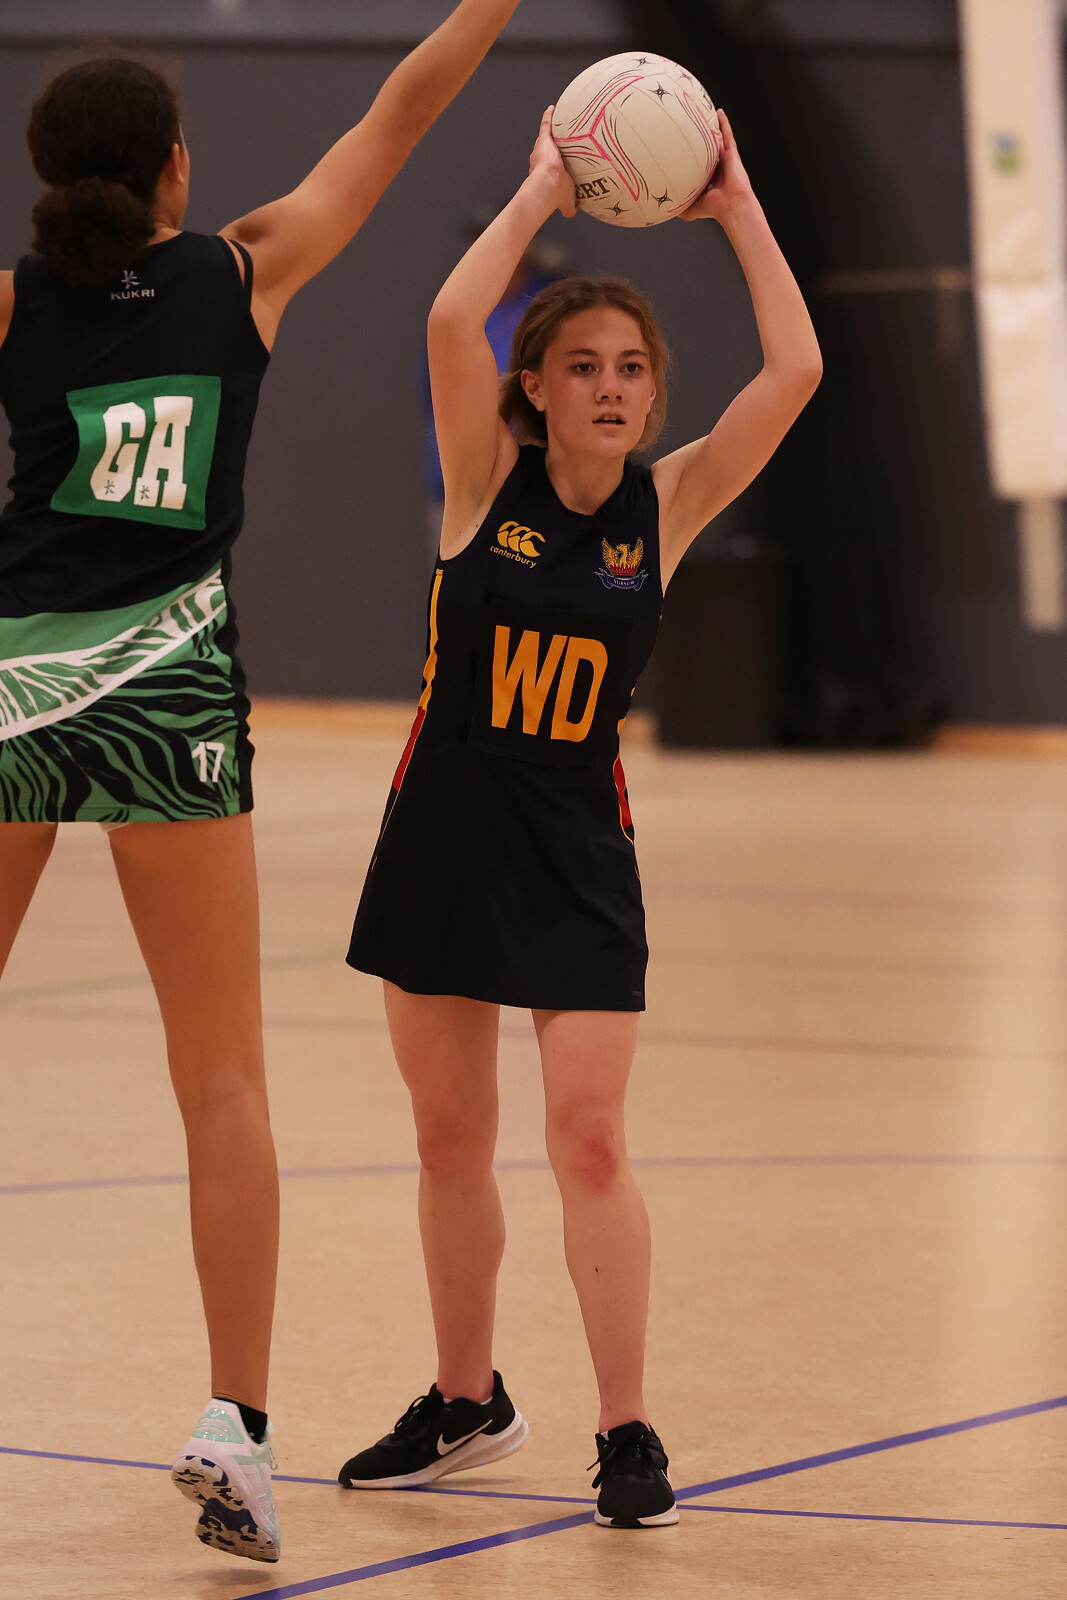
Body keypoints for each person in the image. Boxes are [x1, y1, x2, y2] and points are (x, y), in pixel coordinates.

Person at [0, 3, 521, 1565]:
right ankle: (236, 1432)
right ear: (176, 167)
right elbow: (400, 108)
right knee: (221, 1082)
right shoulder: (244, 270)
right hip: (170, 693)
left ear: (45, 176)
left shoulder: (16, 303)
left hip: (21, 683)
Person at [340, 108, 821, 1527]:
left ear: (654, 395)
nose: (611, 388)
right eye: (583, 368)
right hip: (441, 836)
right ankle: (466, 1398)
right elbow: (451, 317)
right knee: (449, 1140)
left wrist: (735, 205)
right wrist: (543, 185)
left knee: (591, 1139)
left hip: (575, 852)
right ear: (535, 388)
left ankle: (625, 1427)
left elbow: (795, 369)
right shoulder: (479, 482)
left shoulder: (665, 506)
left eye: (632, 369)